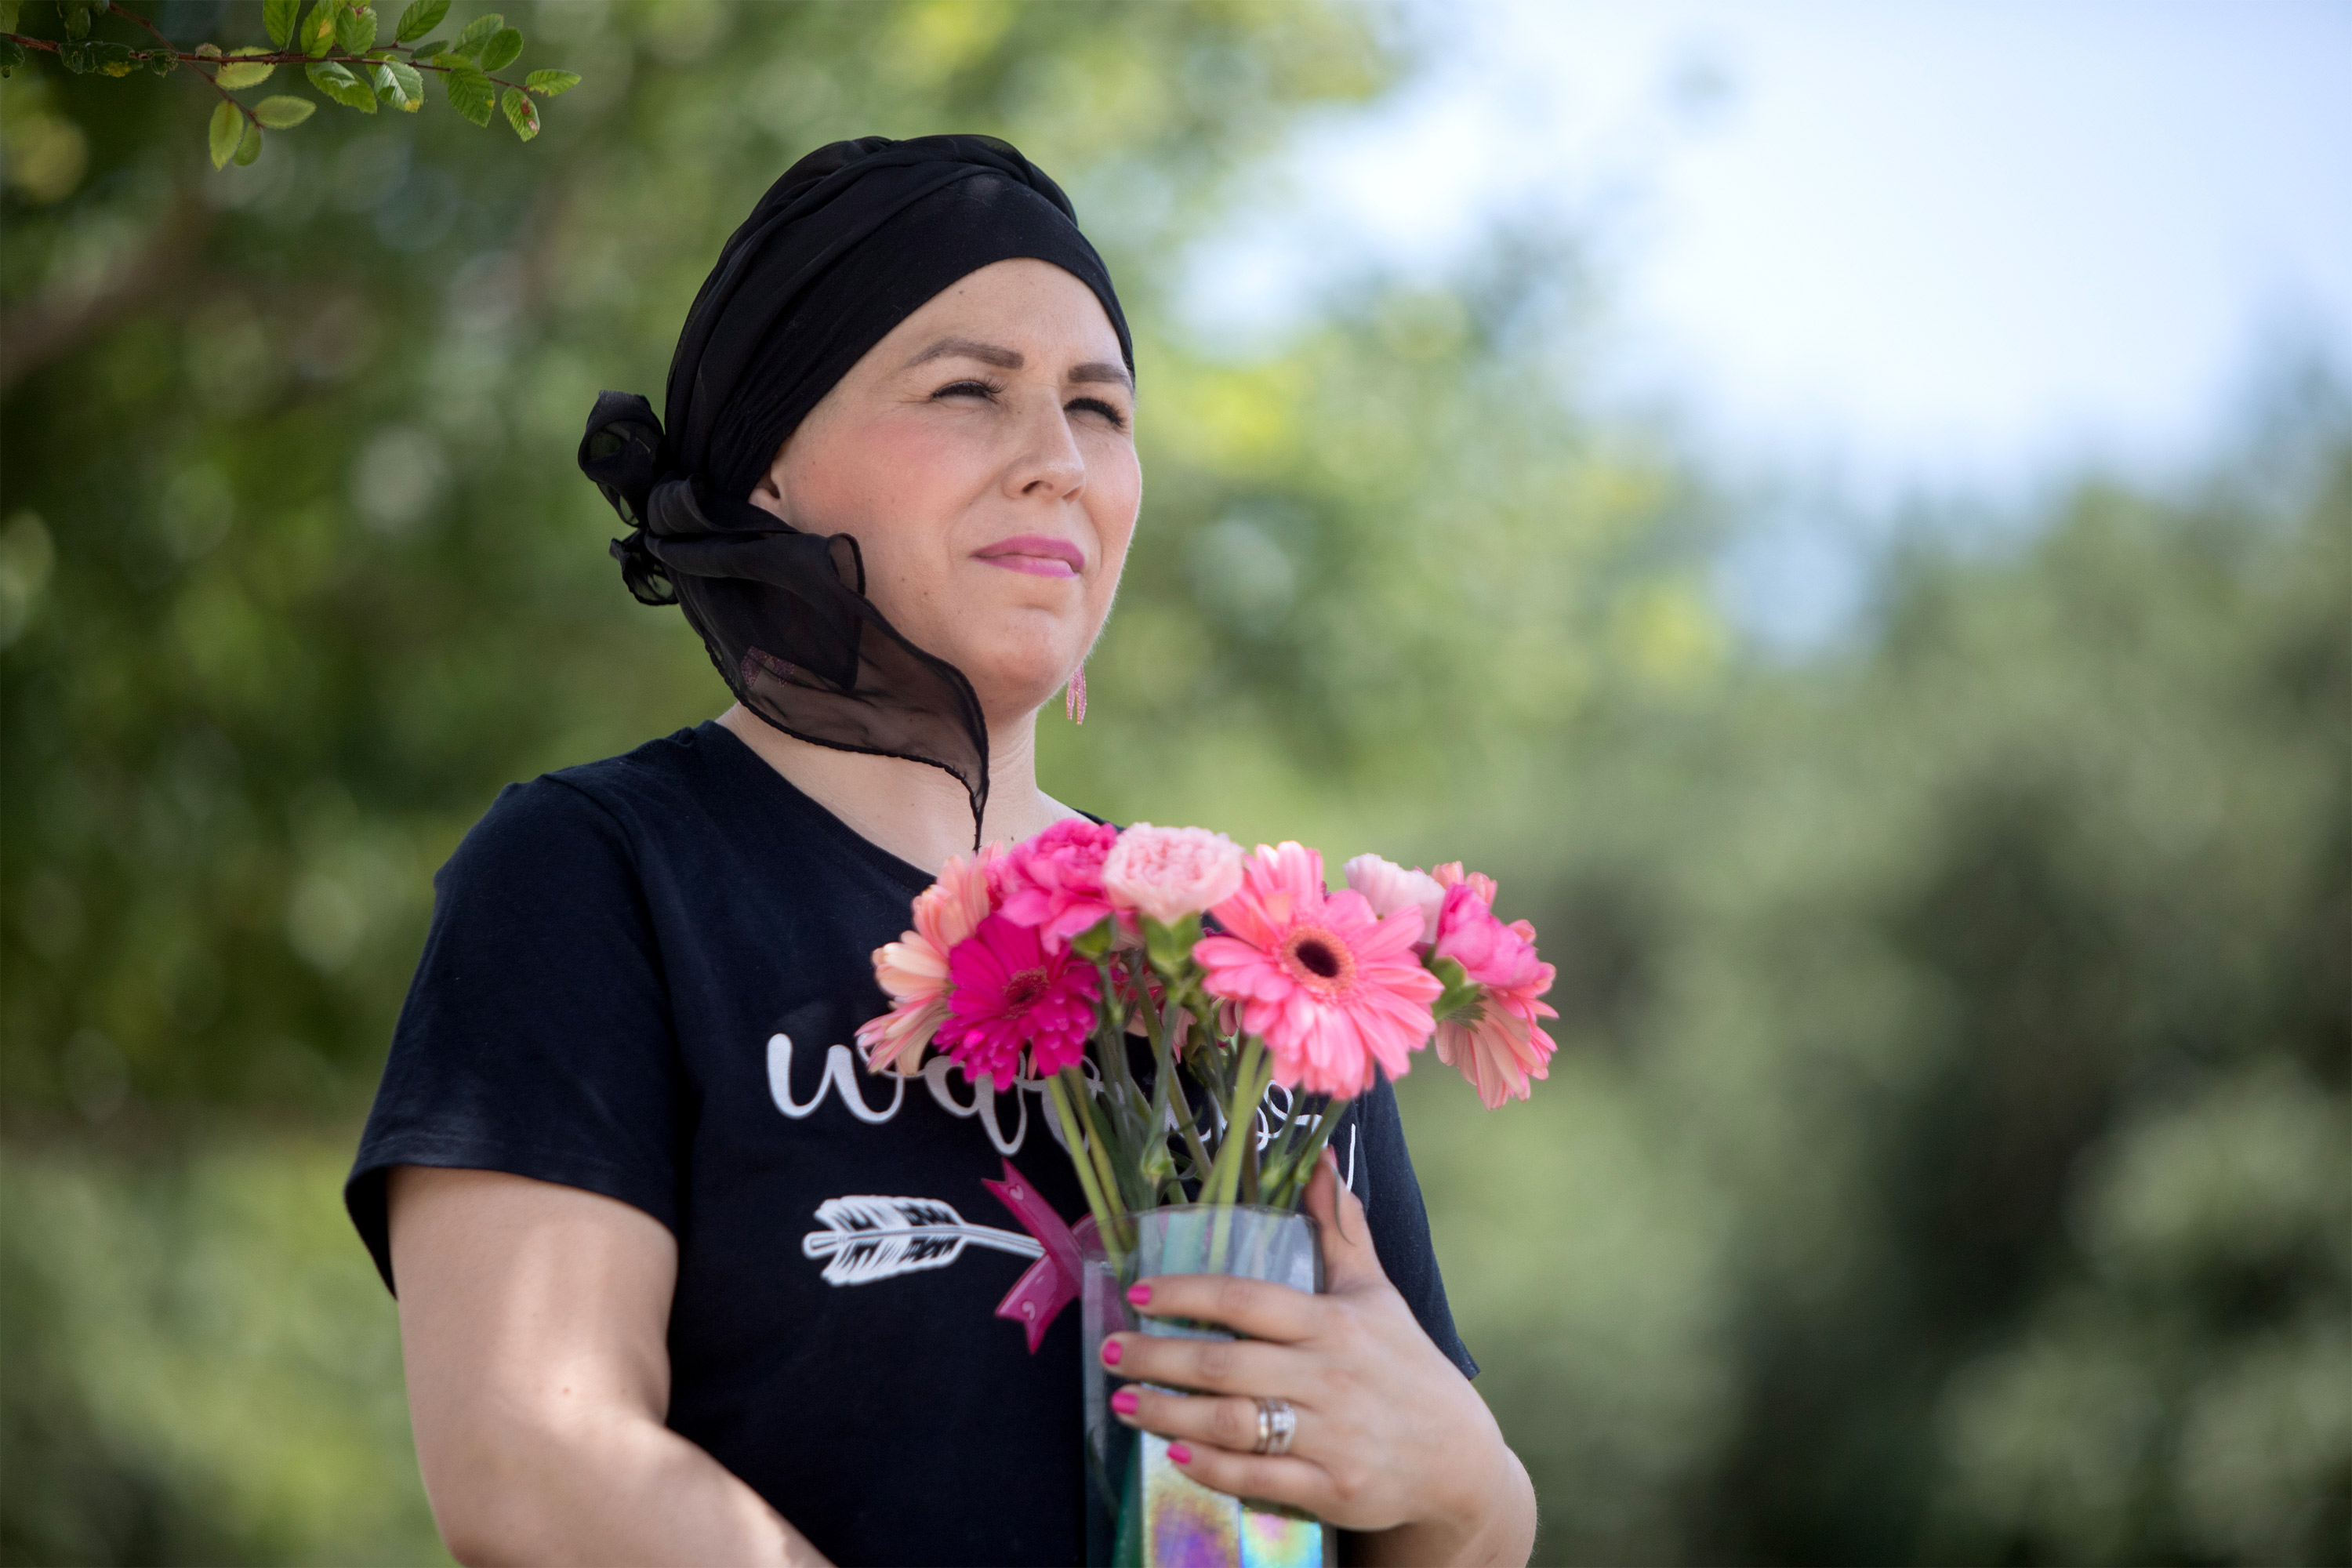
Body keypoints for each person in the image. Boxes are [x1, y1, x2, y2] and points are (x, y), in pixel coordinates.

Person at [346, 134, 1537, 1568]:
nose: (1055, 463)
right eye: (969, 391)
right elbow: (532, 1458)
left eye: (1099, 409)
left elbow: (1430, 1509)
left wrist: (1471, 1488)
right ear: (768, 464)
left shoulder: (1266, 961)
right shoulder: (603, 875)